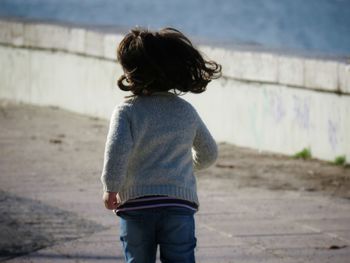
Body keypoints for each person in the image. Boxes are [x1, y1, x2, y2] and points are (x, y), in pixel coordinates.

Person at [100, 27, 221, 263]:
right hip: (179, 204)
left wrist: (110, 187)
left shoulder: (127, 111)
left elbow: (117, 153)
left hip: (136, 204)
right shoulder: (186, 111)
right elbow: (209, 153)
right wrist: (180, 166)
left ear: (132, 71)